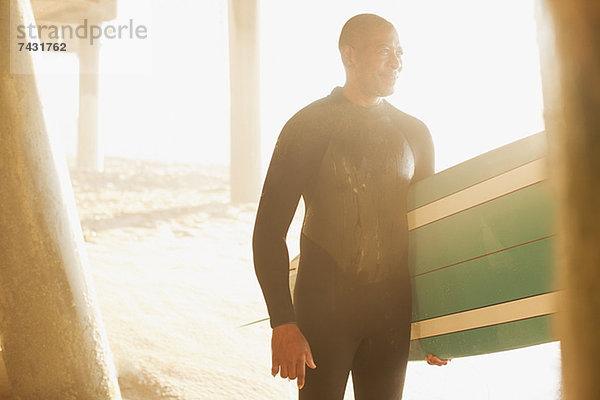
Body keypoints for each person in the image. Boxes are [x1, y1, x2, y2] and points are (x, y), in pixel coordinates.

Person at [253, 13, 447, 400]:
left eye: (400, 52)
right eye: (384, 51)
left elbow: (429, 235)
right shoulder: (308, 127)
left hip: (391, 314)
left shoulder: (415, 133)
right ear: (349, 55)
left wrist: (442, 320)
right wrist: (283, 323)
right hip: (323, 313)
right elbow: (268, 232)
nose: (396, 62)